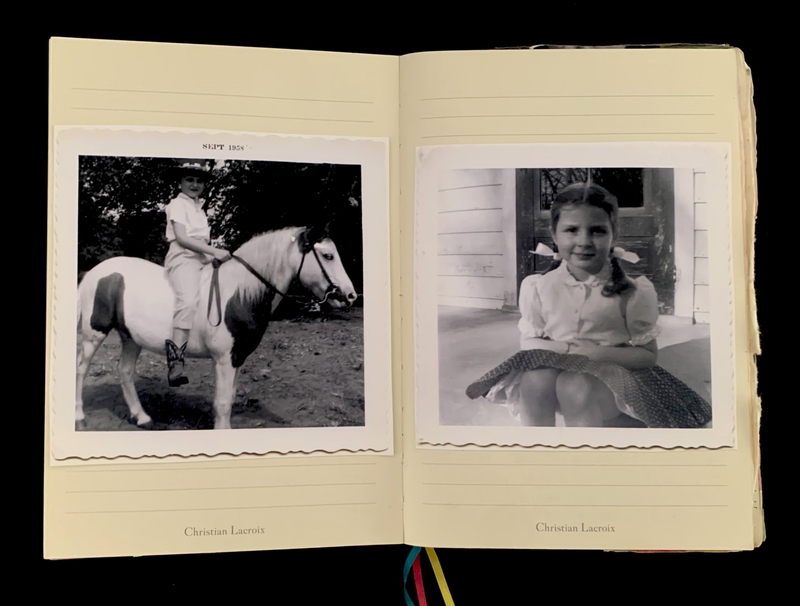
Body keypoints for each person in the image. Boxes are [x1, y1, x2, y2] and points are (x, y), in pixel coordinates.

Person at [465, 181, 712, 428]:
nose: (584, 241)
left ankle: (587, 457)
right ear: (554, 234)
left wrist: (592, 353)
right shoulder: (539, 287)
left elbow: (647, 356)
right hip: (559, 367)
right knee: (533, 381)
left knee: (574, 385)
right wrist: (567, 350)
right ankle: (538, 453)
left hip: (613, 378)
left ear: (613, 233)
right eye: (572, 230)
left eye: (597, 230)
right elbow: (528, 342)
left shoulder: (630, 291)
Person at [163, 159, 231, 387]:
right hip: (183, 257)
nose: (194, 184)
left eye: (199, 181)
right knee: (189, 300)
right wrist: (214, 251)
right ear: (180, 182)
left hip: (202, 257)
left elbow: (202, 239)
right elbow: (182, 238)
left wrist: (212, 255)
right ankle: (175, 361)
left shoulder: (198, 208)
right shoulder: (177, 204)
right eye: (189, 180)